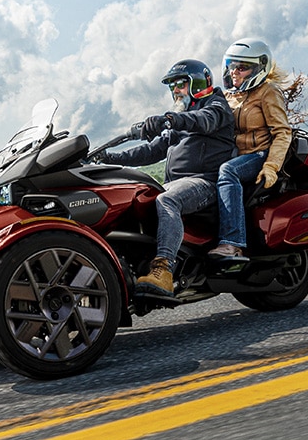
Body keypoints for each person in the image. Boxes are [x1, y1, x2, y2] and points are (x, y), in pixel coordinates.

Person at [96, 59, 236, 296]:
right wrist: (107, 157)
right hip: (176, 183)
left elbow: (202, 121)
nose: (175, 90)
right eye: (172, 86)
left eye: (181, 84)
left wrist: (170, 119)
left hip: (205, 182)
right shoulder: (181, 120)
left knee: (167, 200)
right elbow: (151, 150)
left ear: (199, 82)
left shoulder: (216, 107)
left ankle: (164, 269)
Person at [208, 38, 293, 259]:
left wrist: (271, 167)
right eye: (232, 66)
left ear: (259, 67)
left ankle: (233, 243)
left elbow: (282, 132)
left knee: (228, 171)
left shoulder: (267, 92)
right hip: (235, 155)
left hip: (259, 154)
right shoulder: (228, 96)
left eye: (242, 67)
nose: (234, 72)